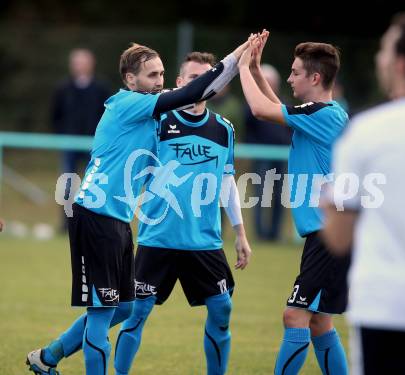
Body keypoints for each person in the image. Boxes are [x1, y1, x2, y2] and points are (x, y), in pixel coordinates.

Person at [26, 38, 252, 375]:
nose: (159, 81)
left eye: (161, 73)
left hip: (117, 220)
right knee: (103, 314)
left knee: (124, 307)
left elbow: (199, 94)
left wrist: (238, 63)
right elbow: (194, 92)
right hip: (95, 215)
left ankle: (47, 357)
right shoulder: (129, 103)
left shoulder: (155, 109)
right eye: (151, 75)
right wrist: (238, 56)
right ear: (131, 80)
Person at [113, 51, 252, 375]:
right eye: (193, 78)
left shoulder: (224, 128)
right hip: (157, 238)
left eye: (206, 77)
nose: (200, 83)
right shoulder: (157, 119)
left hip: (203, 241)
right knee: (135, 313)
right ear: (179, 83)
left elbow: (227, 181)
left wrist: (241, 232)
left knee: (222, 309)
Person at [322, 12, 405, 375]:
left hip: (388, 305)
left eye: (385, 49)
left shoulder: (368, 130)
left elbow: (339, 239)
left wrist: (326, 202)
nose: (379, 58)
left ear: (401, 64)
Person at [238, 31, 349, 374]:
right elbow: (276, 108)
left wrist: (241, 65)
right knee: (319, 323)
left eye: (295, 72)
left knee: (295, 315)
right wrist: (256, 70)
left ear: (315, 78)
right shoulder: (322, 113)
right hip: (327, 235)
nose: (289, 78)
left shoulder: (322, 115)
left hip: (327, 236)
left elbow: (259, 109)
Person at [52, 48, 111, 231]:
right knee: (68, 185)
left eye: (83, 62)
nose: (79, 66)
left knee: (94, 185)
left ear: (91, 64)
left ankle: (91, 225)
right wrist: (62, 135)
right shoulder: (63, 88)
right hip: (69, 145)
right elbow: (55, 116)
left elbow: (107, 116)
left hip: (94, 146)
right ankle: (66, 224)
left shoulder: (101, 89)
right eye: (76, 62)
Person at [244, 63, 292, 241]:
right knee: (260, 195)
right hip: (261, 156)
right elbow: (248, 130)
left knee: (279, 196)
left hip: (281, 156)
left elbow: (290, 129)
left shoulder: (285, 104)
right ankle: (260, 234)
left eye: (271, 81)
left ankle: (274, 234)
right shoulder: (252, 105)